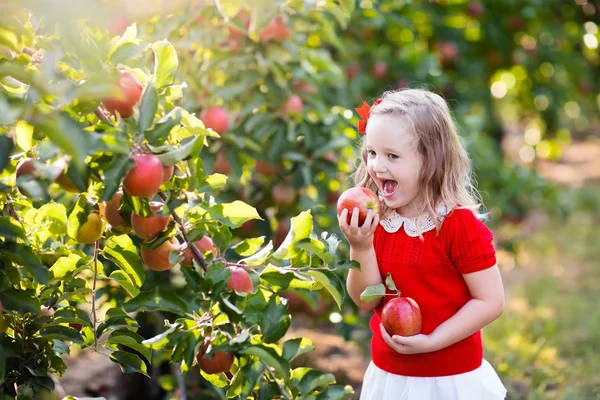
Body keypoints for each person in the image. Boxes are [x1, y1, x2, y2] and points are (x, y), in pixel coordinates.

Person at [338, 88, 507, 399]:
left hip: (450, 379)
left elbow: (491, 301)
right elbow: (366, 300)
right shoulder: (377, 221)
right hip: (390, 377)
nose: (377, 166)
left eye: (392, 156)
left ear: (430, 159)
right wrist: (359, 247)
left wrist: (433, 341)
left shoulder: (456, 226)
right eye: (372, 153)